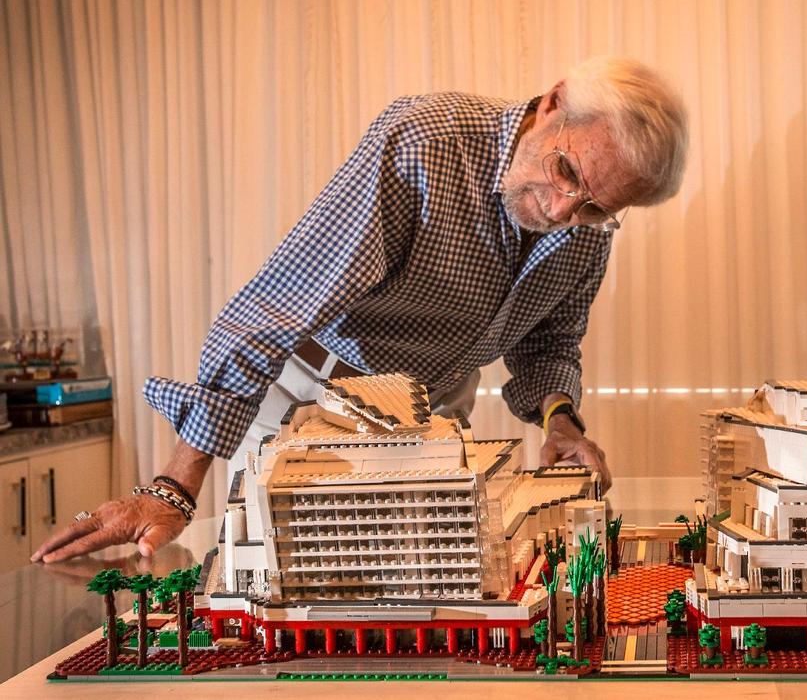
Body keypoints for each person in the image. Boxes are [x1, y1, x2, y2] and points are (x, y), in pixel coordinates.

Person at [32, 57, 688, 564]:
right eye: (567, 172)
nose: (562, 212)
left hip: (433, 404)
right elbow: (278, 309)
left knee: (414, 593)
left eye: (597, 206)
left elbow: (549, 345)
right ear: (551, 105)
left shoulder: (589, 231)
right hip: (315, 394)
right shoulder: (425, 142)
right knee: (279, 592)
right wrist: (174, 485)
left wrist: (561, 421)